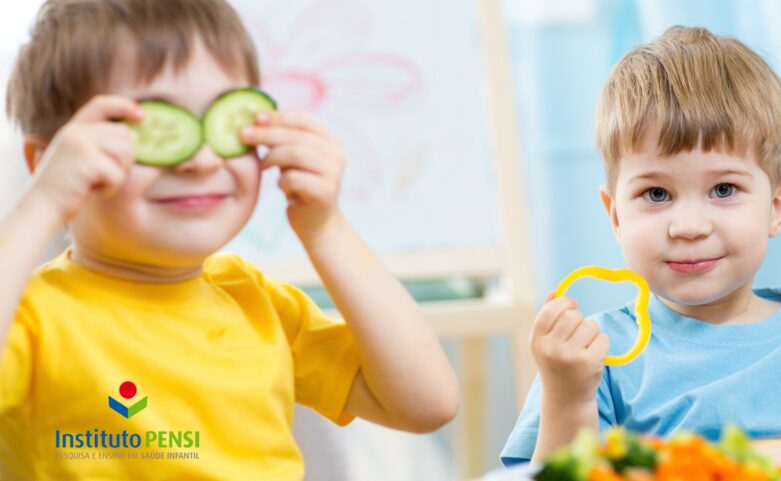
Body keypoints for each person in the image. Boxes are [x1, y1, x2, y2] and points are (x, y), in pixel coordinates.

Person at [0, 1, 458, 479]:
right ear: (48, 160)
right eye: (151, 128)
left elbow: (427, 403)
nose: (199, 161)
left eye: (224, 122)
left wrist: (326, 228)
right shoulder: (31, 318)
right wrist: (40, 202)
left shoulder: (255, 303)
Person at [501, 26, 781, 466]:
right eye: (656, 194)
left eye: (723, 190)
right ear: (616, 215)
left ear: (776, 207)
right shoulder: (590, 361)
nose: (688, 226)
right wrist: (567, 397)